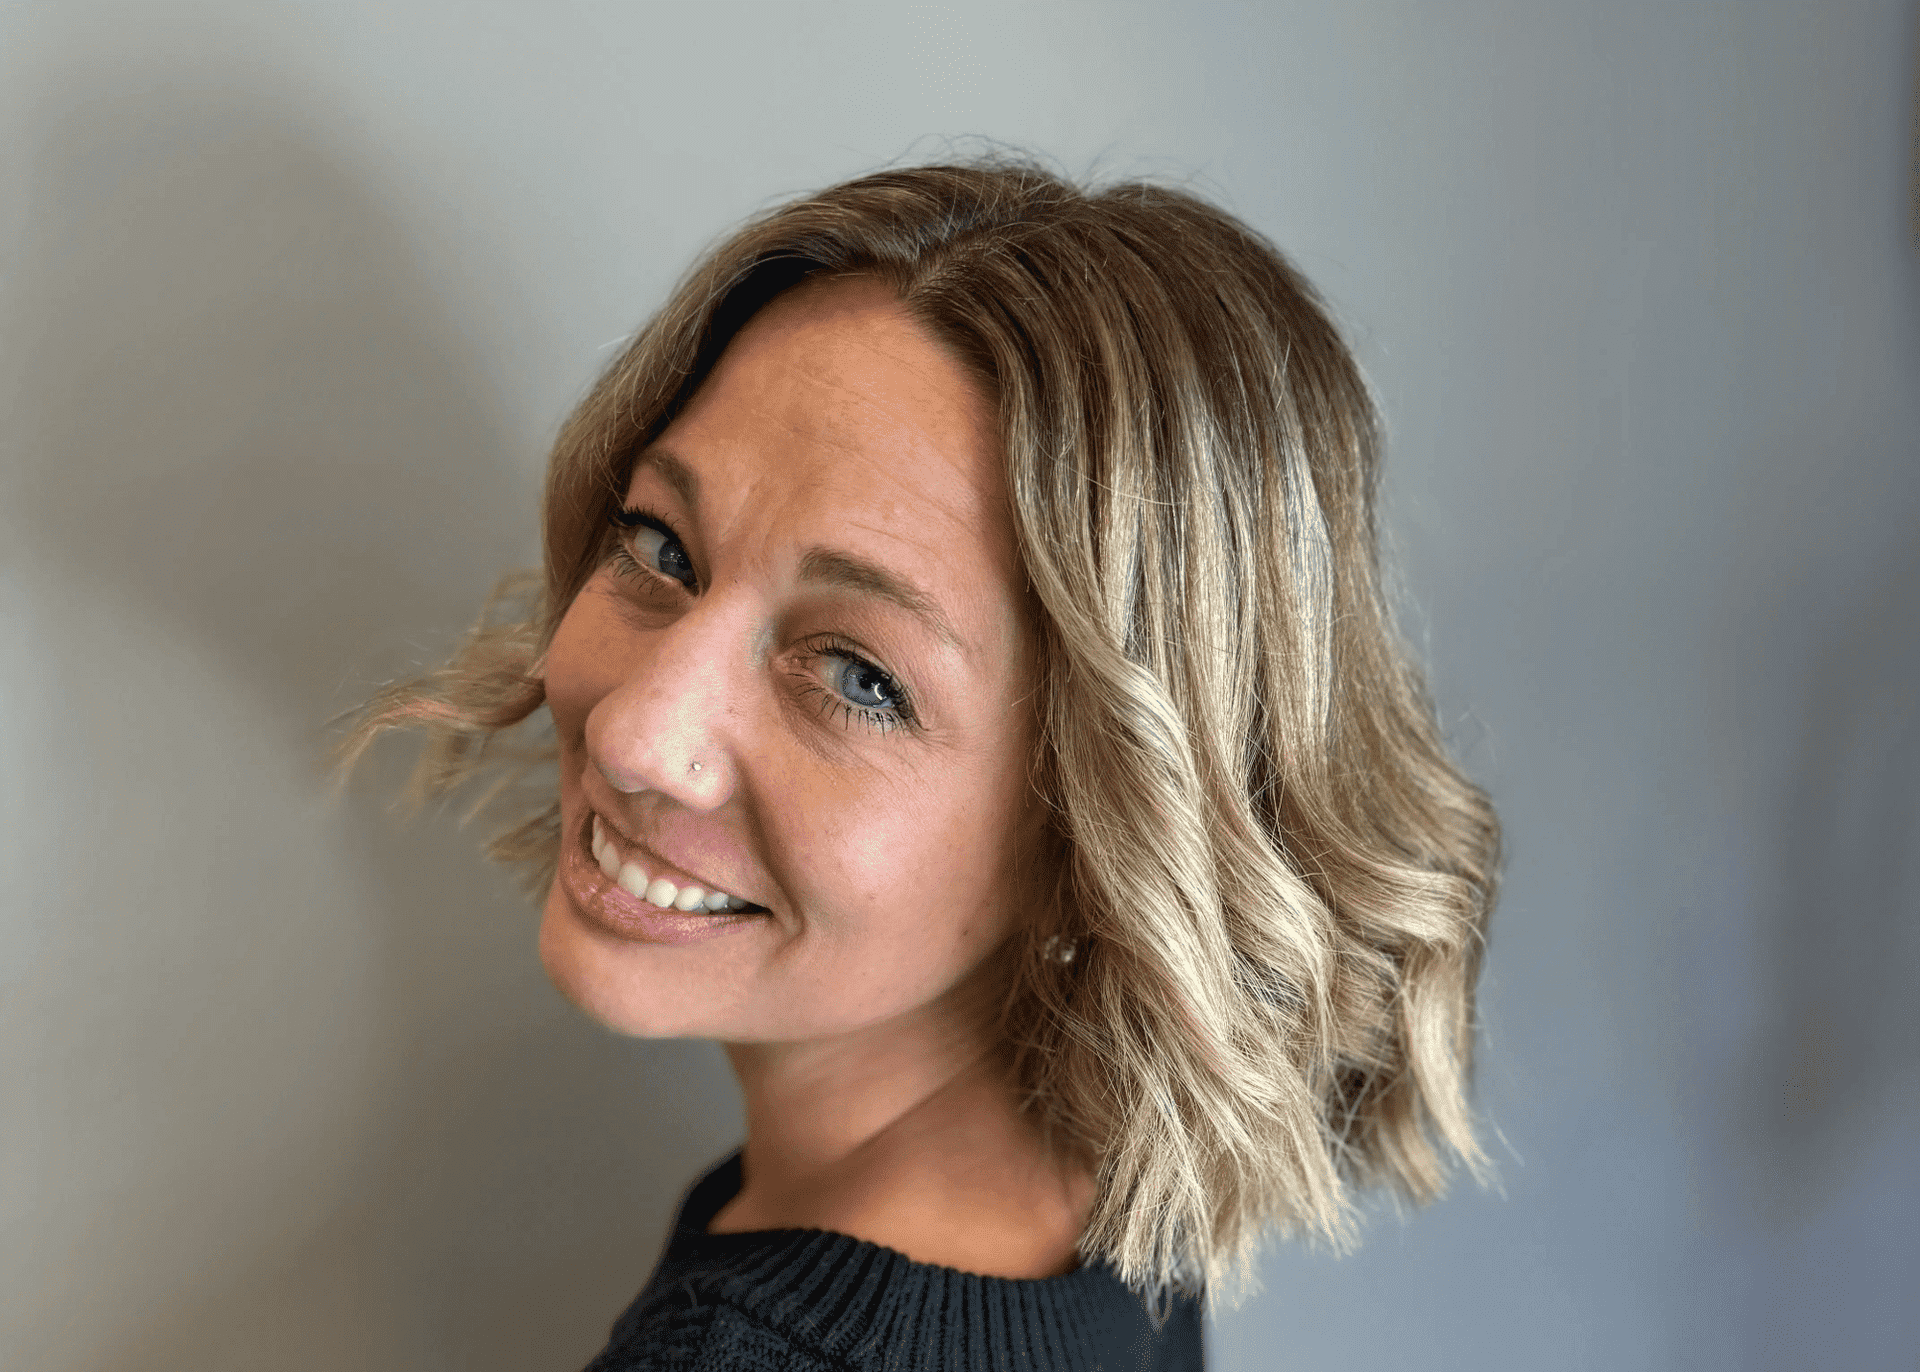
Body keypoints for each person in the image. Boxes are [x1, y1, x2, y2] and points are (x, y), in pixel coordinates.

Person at [343, 158, 1501, 1371]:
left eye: (859, 676)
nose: (638, 733)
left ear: (1103, 831)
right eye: (661, 546)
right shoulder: (1107, 1214)